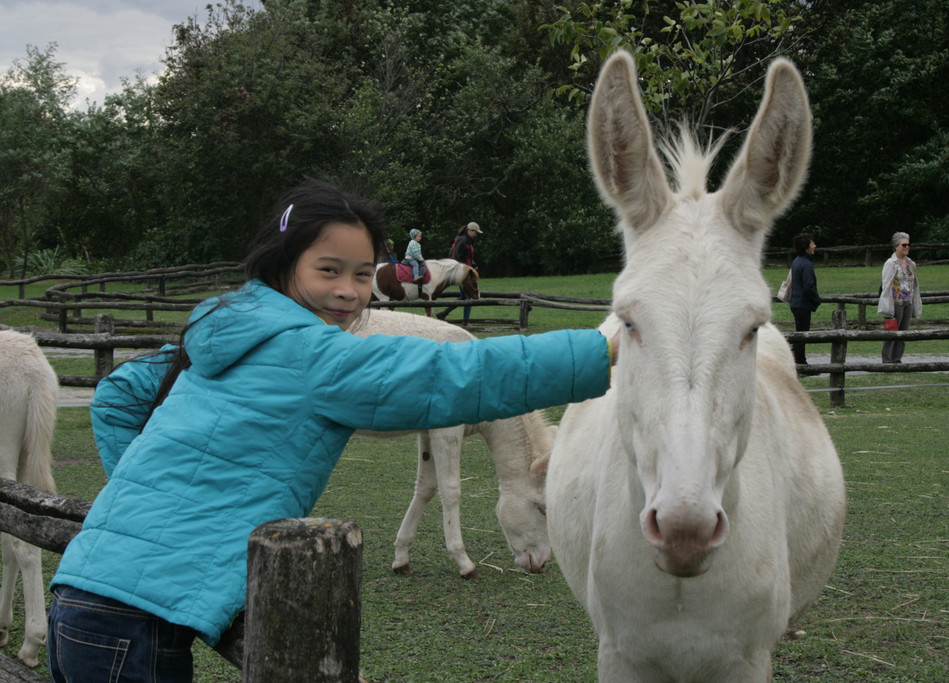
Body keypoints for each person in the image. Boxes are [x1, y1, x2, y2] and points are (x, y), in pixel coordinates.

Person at [46, 180, 618, 682]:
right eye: (329, 270)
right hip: (135, 627)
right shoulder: (315, 355)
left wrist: (144, 506)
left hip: (83, 597)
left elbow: (117, 395)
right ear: (283, 265)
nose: (349, 289)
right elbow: (454, 377)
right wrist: (600, 349)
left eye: (363, 274)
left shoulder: (230, 331)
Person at [878, 231, 922, 363]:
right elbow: (886, 285)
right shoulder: (891, 263)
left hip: (908, 302)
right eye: (904, 245)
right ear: (896, 246)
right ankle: (887, 360)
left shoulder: (910, 263)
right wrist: (887, 303)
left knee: (903, 333)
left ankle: (897, 359)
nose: (907, 247)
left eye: (908, 244)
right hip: (895, 302)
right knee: (892, 332)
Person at [437, 221, 482, 323]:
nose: (476, 234)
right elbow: (457, 257)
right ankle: (465, 321)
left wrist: (473, 265)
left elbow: (468, 257)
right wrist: (464, 270)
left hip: (466, 272)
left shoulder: (469, 240)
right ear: (470, 230)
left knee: (464, 296)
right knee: (468, 296)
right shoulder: (463, 240)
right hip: (462, 273)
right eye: (476, 232)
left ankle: (444, 313)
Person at [788, 233, 821, 367]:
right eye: (812, 243)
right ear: (806, 247)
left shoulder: (797, 261)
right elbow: (808, 287)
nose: (815, 246)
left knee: (800, 334)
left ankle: (798, 361)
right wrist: (816, 299)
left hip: (796, 303)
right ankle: (800, 363)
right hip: (802, 304)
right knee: (802, 336)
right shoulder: (806, 264)